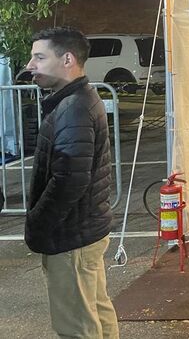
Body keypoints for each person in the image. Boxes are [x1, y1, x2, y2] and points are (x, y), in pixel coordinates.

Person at [24, 27, 119, 338]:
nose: (30, 65)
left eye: (39, 57)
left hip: (70, 236)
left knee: (76, 326)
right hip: (83, 231)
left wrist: (38, 226)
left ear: (67, 59)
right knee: (96, 311)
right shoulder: (78, 99)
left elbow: (68, 181)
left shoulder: (73, 108)